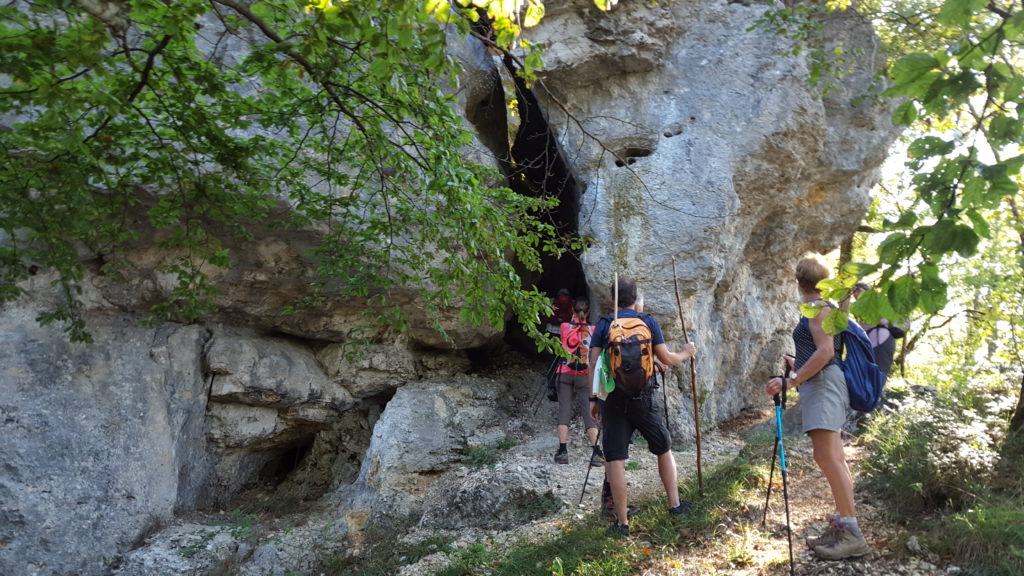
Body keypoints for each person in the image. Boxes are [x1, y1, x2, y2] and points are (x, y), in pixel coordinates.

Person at [765, 254, 870, 559]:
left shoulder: (819, 309)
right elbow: (822, 351)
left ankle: (851, 533)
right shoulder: (825, 307)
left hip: (824, 384)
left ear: (799, 282)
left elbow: (825, 353)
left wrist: (791, 380)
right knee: (834, 456)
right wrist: (797, 365)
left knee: (828, 457)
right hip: (823, 382)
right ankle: (842, 525)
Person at [588, 277, 697, 537]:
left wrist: (594, 399)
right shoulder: (647, 321)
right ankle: (675, 505)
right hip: (643, 397)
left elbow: (593, 365)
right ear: (635, 298)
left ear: (612, 298)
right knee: (663, 446)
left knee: (615, 458)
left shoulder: (604, 325)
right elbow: (667, 358)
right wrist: (686, 352)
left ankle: (622, 523)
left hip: (612, 399)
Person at [554, 298, 603, 466]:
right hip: (584, 374)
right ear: (588, 312)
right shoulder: (594, 329)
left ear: (572, 311)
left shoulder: (564, 327)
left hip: (565, 373)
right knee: (589, 413)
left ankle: (562, 452)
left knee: (564, 411)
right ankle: (597, 453)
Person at [851, 282, 905, 376]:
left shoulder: (879, 302)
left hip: (881, 342)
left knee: (877, 375)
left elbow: (885, 320)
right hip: (869, 343)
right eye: (853, 292)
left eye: (858, 290)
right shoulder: (858, 309)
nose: (855, 294)